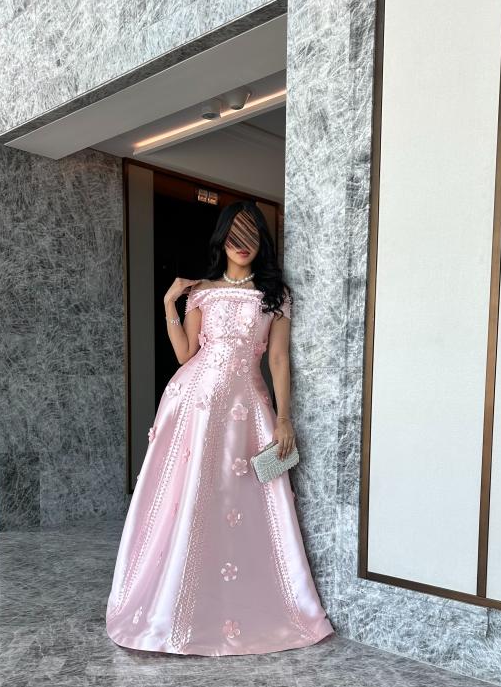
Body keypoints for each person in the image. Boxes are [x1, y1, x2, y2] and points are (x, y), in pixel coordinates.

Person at [105, 200, 334, 655]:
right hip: (191, 405)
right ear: (222, 239)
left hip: (245, 409)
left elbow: (278, 359)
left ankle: (242, 599)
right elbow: (185, 354)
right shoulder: (202, 292)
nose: (243, 244)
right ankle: (173, 598)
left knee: (241, 501)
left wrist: (284, 417)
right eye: (235, 235)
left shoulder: (274, 295)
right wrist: (169, 303)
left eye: (252, 235)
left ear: (262, 242)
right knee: (185, 496)